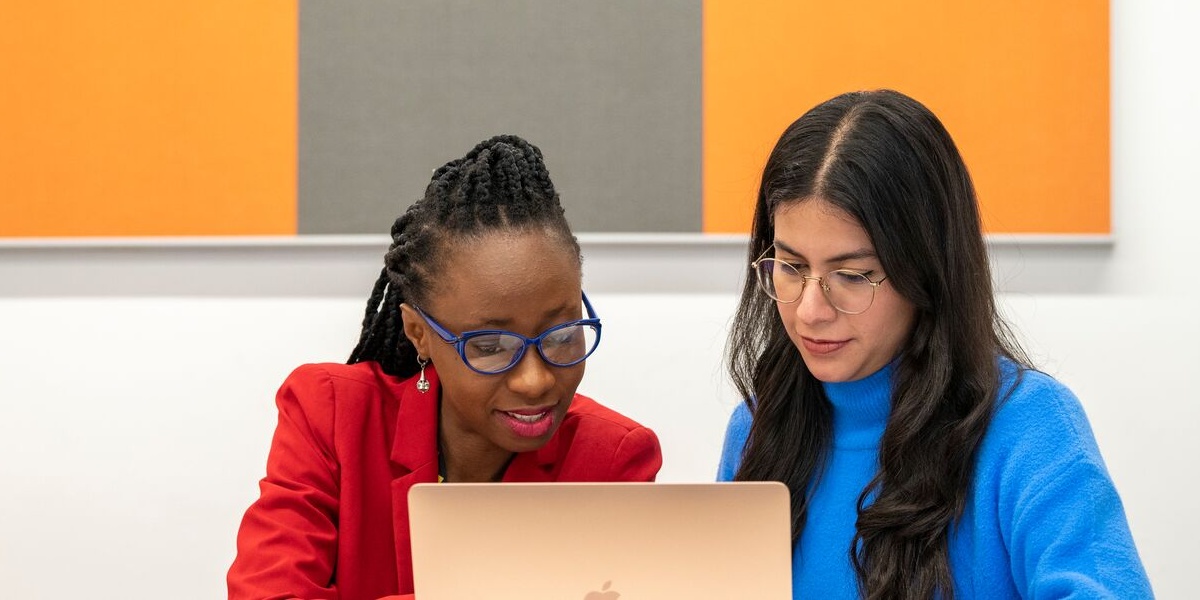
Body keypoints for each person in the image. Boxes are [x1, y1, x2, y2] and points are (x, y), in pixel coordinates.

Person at [717, 90, 1152, 599]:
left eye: (854, 275)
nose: (811, 309)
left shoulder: (1029, 425)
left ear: (926, 271)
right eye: (791, 267)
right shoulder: (757, 428)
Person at [228, 135, 663, 600]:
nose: (535, 380)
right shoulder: (332, 413)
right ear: (419, 332)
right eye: (491, 345)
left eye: (560, 336)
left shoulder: (612, 458)